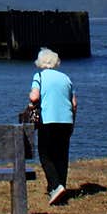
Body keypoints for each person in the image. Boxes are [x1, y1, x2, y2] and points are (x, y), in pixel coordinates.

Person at [29, 46, 77, 204]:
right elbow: (74, 103)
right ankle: (60, 188)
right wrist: (73, 122)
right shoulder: (66, 78)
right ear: (56, 62)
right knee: (61, 155)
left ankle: (56, 186)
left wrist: (31, 99)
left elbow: (35, 97)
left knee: (45, 154)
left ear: (40, 62)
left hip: (48, 120)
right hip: (66, 121)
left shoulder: (39, 76)